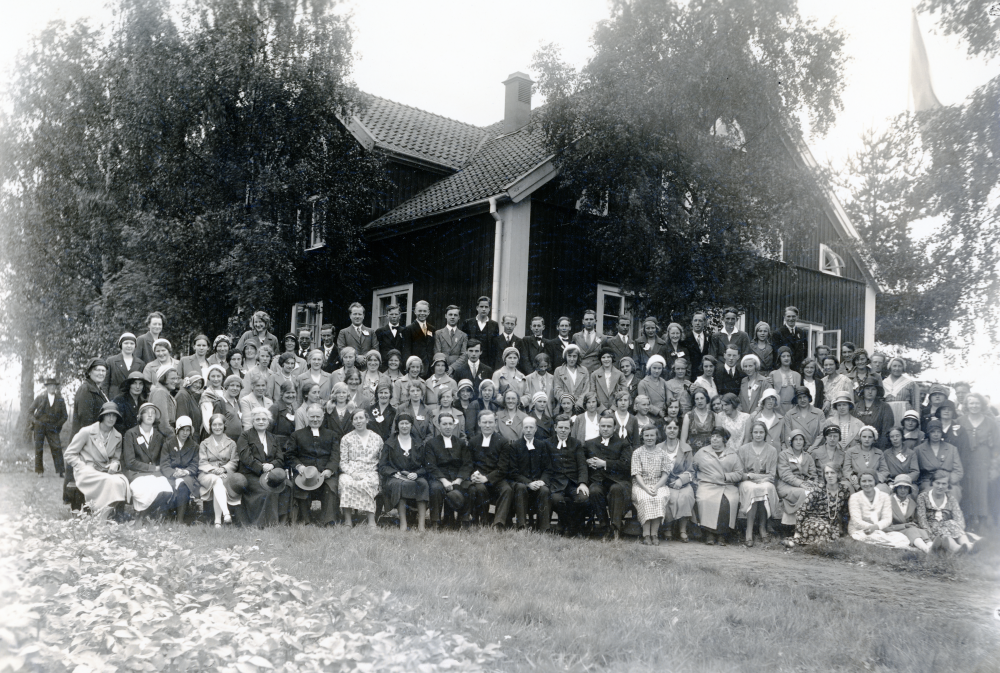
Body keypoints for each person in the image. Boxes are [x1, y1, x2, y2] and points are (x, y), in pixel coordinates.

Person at [63, 402, 131, 518]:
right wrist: (81, 466)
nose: (111, 418)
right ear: (102, 416)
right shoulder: (87, 432)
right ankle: (101, 515)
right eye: (108, 415)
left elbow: (116, 457)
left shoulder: (117, 436)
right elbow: (69, 454)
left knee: (120, 482)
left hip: (105, 471)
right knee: (110, 481)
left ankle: (104, 514)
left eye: (114, 415)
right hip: (87, 471)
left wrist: (115, 464)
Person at [285, 403, 341, 526]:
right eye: (312, 417)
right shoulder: (297, 435)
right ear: (307, 416)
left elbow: (335, 456)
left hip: (325, 473)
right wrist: (300, 467)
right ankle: (306, 519)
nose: (315, 419)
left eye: (318, 416)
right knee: (300, 485)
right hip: (305, 473)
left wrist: (329, 470)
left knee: (330, 486)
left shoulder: (332, 435)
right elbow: (290, 455)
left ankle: (327, 520)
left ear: (323, 417)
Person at [584, 413, 633, 539]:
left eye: (608, 426)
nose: (605, 429)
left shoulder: (623, 444)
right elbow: (581, 461)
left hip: (618, 481)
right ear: (599, 427)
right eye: (603, 426)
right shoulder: (590, 443)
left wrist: (604, 464)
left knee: (616, 490)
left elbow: (626, 465)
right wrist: (588, 462)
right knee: (594, 491)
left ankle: (616, 527)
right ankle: (604, 526)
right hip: (598, 481)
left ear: (614, 428)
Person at [237, 407, 288, 527]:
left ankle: (283, 522)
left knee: (288, 486)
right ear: (252, 421)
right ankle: (263, 523)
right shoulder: (245, 436)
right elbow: (246, 458)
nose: (261, 422)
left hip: (271, 473)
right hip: (251, 474)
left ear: (268, 421)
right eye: (258, 419)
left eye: (264, 419)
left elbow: (280, 458)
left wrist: (272, 465)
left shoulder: (273, 437)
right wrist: (261, 467)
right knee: (266, 490)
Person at [122, 402, 174, 520]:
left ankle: (144, 515)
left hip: (154, 474)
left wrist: (158, 469)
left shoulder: (159, 436)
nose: (150, 415)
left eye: (153, 413)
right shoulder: (131, 434)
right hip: (136, 474)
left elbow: (162, 458)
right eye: (146, 412)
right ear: (140, 416)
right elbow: (130, 461)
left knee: (166, 490)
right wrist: (152, 468)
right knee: (145, 488)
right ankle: (142, 516)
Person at [378, 412, 429, 531]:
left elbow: (427, 466)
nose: (404, 426)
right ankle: (403, 523)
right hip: (395, 477)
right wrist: (394, 473)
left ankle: (421, 524)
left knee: (423, 484)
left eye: (407, 423)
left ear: (411, 425)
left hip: (414, 475)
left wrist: (417, 473)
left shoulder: (419, 443)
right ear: (397, 425)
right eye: (402, 423)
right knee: (399, 484)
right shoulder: (390, 443)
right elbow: (383, 466)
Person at [463, 410, 514, 527]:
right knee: (480, 489)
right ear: (479, 423)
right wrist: (474, 475)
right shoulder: (473, 441)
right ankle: (484, 520)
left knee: (507, 490)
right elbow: (469, 463)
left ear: (495, 423)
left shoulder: (503, 442)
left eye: (490, 422)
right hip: (478, 478)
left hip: (496, 478)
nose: (487, 425)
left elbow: (503, 467)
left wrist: (486, 478)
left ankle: (499, 522)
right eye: (484, 422)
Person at [694, 427, 743, 545]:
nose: (714, 439)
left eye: (718, 437)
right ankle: (709, 534)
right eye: (713, 436)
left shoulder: (732, 454)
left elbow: (739, 474)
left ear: (724, 440)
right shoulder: (702, 452)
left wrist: (725, 476)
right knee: (705, 499)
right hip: (707, 485)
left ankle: (722, 535)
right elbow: (693, 468)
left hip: (727, 486)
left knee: (726, 501)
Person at [956, 392, 997, 533]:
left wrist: (994, 464)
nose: (974, 406)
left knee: (982, 488)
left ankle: (982, 520)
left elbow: (997, 445)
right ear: (967, 405)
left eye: (977, 403)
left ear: (982, 404)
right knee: (968, 487)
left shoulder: (990, 422)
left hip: (983, 457)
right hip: (965, 458)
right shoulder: (960, 421)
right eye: (971, 403)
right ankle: (968, 519)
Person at [505, 416, 553, 531]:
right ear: (522, 429)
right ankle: (522, 525)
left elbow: (548, 469)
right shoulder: (515, 446)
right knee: (521, 488)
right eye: (526, 427)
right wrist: (528, 483)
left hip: (538, 482)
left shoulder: (541, 445)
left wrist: (542, 481)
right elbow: (513, 471)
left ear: (535, 429)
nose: (528, 430)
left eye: (531, 427)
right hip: (520, 483)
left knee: (545, 490)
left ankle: (544, 527)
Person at [337, 408, 383, 527]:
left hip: (370, 471)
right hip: (351, 471)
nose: (358, 421)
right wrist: (353, 473)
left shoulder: (377, 438)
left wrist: (371, 473)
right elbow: (343, 462)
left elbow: (381, 460)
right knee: (345, 482)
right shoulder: (346, 439)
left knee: (368, 482)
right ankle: (348, 521)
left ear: (367, 420)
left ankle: (371, 521)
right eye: (355, 419)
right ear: (352, 422)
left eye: (361, 418)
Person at [736, 421, 780, 546]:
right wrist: (753, 476)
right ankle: (749, 531)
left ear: (765, 434)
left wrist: (755, 477)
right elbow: (741, 474)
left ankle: (762, 528)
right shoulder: (743, 449)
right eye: (755, 432)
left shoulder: (772, 450)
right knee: (752, 489)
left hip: (765, 482)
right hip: (747, 482)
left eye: (761, 432)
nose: (758, 435)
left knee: (765, 488)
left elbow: (771, 475)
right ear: (751, 434)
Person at [198, 413, 245, 527]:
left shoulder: (231, 443)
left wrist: (223, 469)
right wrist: (215, 470)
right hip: (207, 473)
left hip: (225, 472)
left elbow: (234, 461)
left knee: (218, 481)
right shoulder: (204, 443)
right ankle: (226, 513)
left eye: (220, 424)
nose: (217, 427)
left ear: (224, 426)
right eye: (214, 425)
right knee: (216, 480)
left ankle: (218, 521)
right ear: (210, 426)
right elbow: (203, 462)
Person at [425, 411, 471, 527]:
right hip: (439, 477)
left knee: (468, 487)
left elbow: (467, 464)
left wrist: (459, 479)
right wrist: (444, 480)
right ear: (439, 426)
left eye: (450, 424)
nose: (448, 427)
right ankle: (435, 521)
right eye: (444, 424)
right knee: (435, 488)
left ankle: (462, 521)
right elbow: (431, 465)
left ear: (454, 425)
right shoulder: (431, 443)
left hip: (457, 476)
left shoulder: (460, 443)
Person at [787, 463, 849, 547]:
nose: (829, 476)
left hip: (831, 524)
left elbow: (845, 512)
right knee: (823, 528)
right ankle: (802, 540)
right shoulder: (818, 490)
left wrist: (844, 529)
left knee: (832, 534)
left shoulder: (844, 490)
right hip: (812, 521)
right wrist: (797, 532)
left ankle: (799, 543)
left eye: (832, 472)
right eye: (827, 473)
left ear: (838, 474)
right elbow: (802, 510)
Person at [917, 470, 977, 553]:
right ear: (932, 483)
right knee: (941, 528)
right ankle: (956, 549)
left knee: (951, 523)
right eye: (937, 483)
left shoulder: (950, 498)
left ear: (948, 485)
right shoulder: (923, 497)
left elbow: (959, 517)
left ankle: (967, 546)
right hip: (931, 529)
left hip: (948, 528)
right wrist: (930, 535)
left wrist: (957, 530)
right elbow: (922, 520)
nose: (940, 486)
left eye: (944, 483)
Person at [631, 424, 670, 545]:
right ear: (642, 437)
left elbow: (665, 474)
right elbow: (636, 474)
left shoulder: (663, 453)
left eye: (652, 435)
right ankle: (646, 534)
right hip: (641, 485)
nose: (649, 438)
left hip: (659, 484)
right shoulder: (637, 453)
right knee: (645, 498)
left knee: (659, 498)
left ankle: (655, 534)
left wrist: (656, 487)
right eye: (646, 435)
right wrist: (646, 488)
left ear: (656, 436)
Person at [660, 418, 696, 541]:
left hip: (682, 483)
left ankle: (682, 529)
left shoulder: (686, 448)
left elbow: (691, 470)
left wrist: (681, 480)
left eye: (675, 428)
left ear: (679, 430)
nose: (672, 431)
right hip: (664, 483)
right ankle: (668, 528)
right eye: (669, 428)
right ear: (664, 429)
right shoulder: (658, 448)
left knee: (686, 495)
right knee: (670, 496)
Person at [847, 472, 907, 546]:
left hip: (878, 528)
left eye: (870, 481)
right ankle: (882, 543)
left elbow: (887, 519)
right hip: (860, 530)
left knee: (902, 538)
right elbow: (856, 521)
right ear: (859, 482)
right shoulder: (854, 497)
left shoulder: (885, 496)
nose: (867, 484)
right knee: (860, 537)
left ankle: (880, 542)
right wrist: (871, 528)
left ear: (875, 481)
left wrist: (876, 527)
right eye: (863, 481)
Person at [159, 416, 200, 523]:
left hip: (187, 475)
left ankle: (180, 520)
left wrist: (186, 471)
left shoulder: (195, 446)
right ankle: (167, 516)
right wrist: (173, 473)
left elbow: (195, 464)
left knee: (183, 485)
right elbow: (164, 464)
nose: (185, 433)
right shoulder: (168, 444)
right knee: (167, 486)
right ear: (177, 430)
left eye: (188, 430)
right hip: (171, 475)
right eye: (183, 430)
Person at [777, 429, 819, 526]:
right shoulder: (784, 454)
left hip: (805, 484)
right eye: (796, 439)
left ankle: (810, 525)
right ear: (791, 441)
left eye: (801, 439)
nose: (799, 442)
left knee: (816, 492)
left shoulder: (808, 457)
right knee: (805, 493)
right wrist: (801, 484)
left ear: (804, 442)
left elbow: (813, 475)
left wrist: (813, 483)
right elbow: (785, 475)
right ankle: (797, 525)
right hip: (786, 485)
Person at [29, 377, 68, 477]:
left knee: (57, 447)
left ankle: (60, 471)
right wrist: (35, 422)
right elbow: (30, 412)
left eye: (53, 386)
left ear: (56, 387)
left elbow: (65, 416)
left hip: (53, 427)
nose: (51, 387)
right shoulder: (40, 398)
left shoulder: (60, 399)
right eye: (49, 386)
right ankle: (39, 471)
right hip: (39, 426)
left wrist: (57, 425)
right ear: (46, 387)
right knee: (38, 448)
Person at [915, 420, 964, 499]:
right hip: (928, 482)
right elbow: (916, 471)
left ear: (942, 433)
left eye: (938, 431)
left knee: (954, 492)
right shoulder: (919, 450)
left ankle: (949, 511)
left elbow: (958, 471)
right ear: (928, 433)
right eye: (933, 432)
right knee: (928, 494)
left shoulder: (952, 449)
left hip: (948, 482)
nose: (936, 434)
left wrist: (946, 480)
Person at [885, 475, 933, 553]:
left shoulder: (912, 503)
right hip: (894, 531)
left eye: (906, 487)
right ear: (896, 489)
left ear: (909, 489)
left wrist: (913, 524)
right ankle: (926, 550)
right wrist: (904, 526)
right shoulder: (887, 502)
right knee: (911, 531)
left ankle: (931, 545)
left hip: (908, 530)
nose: (903, 490)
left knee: (920, 530)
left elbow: (914, 520)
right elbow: (885, 526)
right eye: (900, 487)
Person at [852, 376, 894, 449]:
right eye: (867, 389)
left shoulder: (885, 407)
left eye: (873, 389)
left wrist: (879, 450)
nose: (870, 392)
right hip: (858, 447)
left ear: (877, 391)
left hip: (877, 446)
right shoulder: (856, 407)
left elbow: (886, 432)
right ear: (863, 391)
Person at [73, 358, 111, 437]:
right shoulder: (86, 390)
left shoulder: (98, 389)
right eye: (97, 370)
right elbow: (86, 420)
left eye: (103, 371)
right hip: (86, 439)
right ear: (89, 372)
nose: (101, 373)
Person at [460, 297, 500, 368]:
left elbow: (495, 346)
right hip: (471, 360)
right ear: (477, 308)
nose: (484, 309)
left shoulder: (494, 325)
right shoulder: (468, 323)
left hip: (487, 362)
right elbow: (464, 344)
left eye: (486, 307)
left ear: (489, 309)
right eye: (481, 306)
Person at [844, 426, 889, 490]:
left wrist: (875, 479)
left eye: (870, 437)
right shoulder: (851, 451)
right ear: (860, 438)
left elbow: (884, 471)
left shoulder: (879, 452)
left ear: (874, 439)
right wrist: (852, 477)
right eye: (864, 437)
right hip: (856, 483)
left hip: (874, 483)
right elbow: (846, 470)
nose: (867, 439)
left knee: (884, 488)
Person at [105, 332, 146, 400]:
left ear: (135, 346)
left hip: (133, 399)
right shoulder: (111, 361)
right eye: (126, 343)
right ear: (121, 345)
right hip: (114, 398)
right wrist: (106, 400)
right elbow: (105, 384)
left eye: (132, 343)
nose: (129, 346)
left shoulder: (141, 363)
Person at [883, 357, 920, 426]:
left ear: (903, 368)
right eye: (894, 366)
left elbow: (915, 403)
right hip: (888, 411)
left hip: (904, 411)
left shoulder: (910, 383)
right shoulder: (883, 383)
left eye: (899, 366)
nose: (897, 368)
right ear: (890, 367)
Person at [401, 300, 435, 374]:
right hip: (416, 368)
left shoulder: (432, 329)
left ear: (428, 312)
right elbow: (406, 351)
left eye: (424, 311)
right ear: (415, 312)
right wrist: (409, 367)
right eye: (419, 311)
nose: (422, 313)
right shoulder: (408, 329)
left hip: (430, 368)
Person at [554, 344, 590, 414]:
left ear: (578, 357)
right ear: (565, 356)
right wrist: (567, 402)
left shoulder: (584, 370)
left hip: (580, 408)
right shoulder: (558, 370)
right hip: (564, 407)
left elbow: (586, 389)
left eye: (574, 356)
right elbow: (557, 389)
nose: (572, 359)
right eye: (569, 356)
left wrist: (578, 404)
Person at [114, 371, 149, 436]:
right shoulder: (120, 399)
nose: (137, 387)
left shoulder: (144, 402)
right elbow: (118, 424)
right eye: (134, 383)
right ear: (129, 385)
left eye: (140, 384)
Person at [773, 306, 808, 371]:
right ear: (784, 317)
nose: (791, 319)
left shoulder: (802, 333)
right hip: (785, 369)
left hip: (799, 370)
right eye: (788, 316)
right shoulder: (778, 333)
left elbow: (805, 352)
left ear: (797, 317)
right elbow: (776, 354)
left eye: (793, 316)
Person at [434, 305, 468, 371]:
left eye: (455, 315)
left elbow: (464, 356)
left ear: (459, 317)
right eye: (450, 314)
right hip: (442, 368)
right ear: (445, 316)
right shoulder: (438, 333)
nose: (452, 317)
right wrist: (444, 367)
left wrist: (452, 368)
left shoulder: (463, 335)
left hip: (457, 369)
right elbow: (437, 353)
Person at [148, 365, 180, 435]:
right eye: (172, 379)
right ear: (162, 378)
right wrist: (173, 438)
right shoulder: (160, 392)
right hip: (163, 436)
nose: (176, 381)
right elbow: (162, 423)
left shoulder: (164, 392)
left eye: (176, 378)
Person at [769, 346, 802, 414]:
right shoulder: (773, 374)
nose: (786, 358)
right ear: (779, 358)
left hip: (793, 408)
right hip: (777, 408)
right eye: (783, 356)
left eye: (788, 356)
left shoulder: (797, 375)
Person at [637, 354, 669, 419]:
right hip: (649, 416)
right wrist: (657, 411)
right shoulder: (643, 383)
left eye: (659, 368)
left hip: (664, 415)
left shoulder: (663, 382)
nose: (656, 371)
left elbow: (667, 399)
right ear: (649, 368)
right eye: (654, 368)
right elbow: (643, 402)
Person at [681, 311, 712, 377]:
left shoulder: (709, 337)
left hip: (705, 373)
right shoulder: (685, 338)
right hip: (690, 374)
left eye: (700, 321)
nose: (697, 323)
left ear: (704, 323)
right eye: (695, 320)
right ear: (692, 322)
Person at [174, 374, 204, 441]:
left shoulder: (190, 395)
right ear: (188, 381)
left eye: (200, 383)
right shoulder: (182, 395)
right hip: (188, 438)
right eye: (195, 382)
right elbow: (183, 421)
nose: (198, 385)